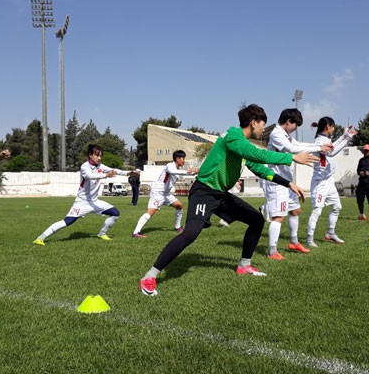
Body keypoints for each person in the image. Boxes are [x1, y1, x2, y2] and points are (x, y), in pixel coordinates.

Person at [139, 104, 319, 296]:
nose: (263, 129)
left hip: (221, 194)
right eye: (262, 125)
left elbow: (260, 168)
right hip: (204, 192)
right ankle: (150, 276)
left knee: (256, 220)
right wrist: (290, 157)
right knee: (191, 233)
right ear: (253, 123)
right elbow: (256, 155)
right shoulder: (233, 136)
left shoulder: (242, 146)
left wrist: (288, 184)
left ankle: (244, 265)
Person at [262, 108, 333, 259]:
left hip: (287, 182)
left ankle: (293, 242)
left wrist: (318, 148)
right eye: (296, 125)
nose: (295, 129)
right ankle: (272, 251)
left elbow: (299, 144)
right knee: (279, 217)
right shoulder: (276, 134)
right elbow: (292, 149)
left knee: (295, 211)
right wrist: (319, 147)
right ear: (288, 122)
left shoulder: (286, 135)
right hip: (277, 182)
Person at [33, 144, 131, 245]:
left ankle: (102, 233)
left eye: (100, 156)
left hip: (95, 202)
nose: (99, 158)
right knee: (68, 221)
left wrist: (129, 172)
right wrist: (106, 175)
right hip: (82, 202)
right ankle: (40, 238)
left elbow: (114, 170)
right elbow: (90, 176)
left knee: (115, 213)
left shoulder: (100, 166)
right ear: (90, 155)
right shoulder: (84, 167)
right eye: (97, 155)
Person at [306, 117, 357, 247]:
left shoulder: (326, 139)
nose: (334, 129)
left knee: (337, 207)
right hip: (320, 182)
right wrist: (347, 138)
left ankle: (330, 233)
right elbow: (332, 152)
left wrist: (345, 135)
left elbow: (333, 146)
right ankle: (310, 239)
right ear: (328, 126)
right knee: (317, 210)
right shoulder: (319, 141)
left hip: (329, 181)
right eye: (333, 127)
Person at [132, 150, 198, 238]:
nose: (184, 161)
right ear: (177, 159)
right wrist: (187, 172)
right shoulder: (170, 165)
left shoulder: (178, 169)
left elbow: (182, 174)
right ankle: (136, 232)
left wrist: (194, 172)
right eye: (183, 158)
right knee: (150, 212)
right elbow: (171, 171)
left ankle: (177, 227)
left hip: (166, 194)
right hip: (158, 193)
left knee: (179, 206)